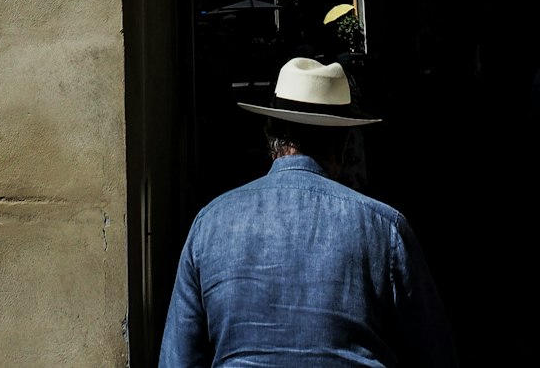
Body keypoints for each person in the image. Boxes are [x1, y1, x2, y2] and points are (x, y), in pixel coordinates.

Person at [158, 56, 458, 367]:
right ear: (343, 142)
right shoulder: (385, 230)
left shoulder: (209, 224)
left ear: (270, 131)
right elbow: (435, 355)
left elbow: (178, 359)